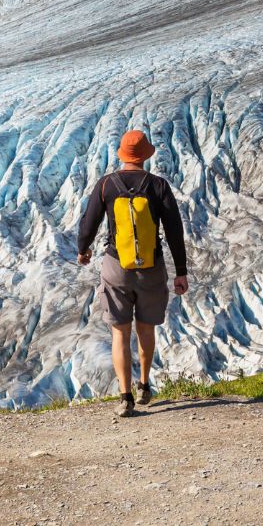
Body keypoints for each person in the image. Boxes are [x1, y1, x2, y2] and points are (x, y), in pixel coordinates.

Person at [77, 129, 189, 417]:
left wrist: (83, 249)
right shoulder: (158, 186)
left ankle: (125, 397)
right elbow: (175, 231)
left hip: (117, 268)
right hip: (151, 268)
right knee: (145, 329)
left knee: (119, 333)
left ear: (123, 155)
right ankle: (143, 385)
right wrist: (180, 271)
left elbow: (89, 223)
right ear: (145, 156)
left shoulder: (107, 185)